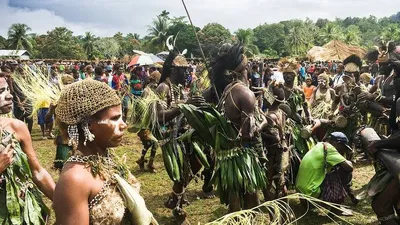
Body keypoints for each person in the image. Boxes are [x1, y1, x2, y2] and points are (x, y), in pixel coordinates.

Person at [53, 79, 156, 225]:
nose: (124, 125)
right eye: (114, 119)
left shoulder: (108, 158)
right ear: (88, 125)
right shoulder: (75, 179)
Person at [0, 74, 55, 223]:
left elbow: (37, 171)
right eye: (0, 91)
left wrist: (61, 201)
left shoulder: (16, 127)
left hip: (19, 209)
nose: (9, 96)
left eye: (7, 90)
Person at [296, 132, 356, 215]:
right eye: (343, 147)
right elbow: (349, 168)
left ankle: (307, 204)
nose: (342, 150)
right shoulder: (329, 148)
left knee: (332, 170)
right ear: (338, 143)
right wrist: (347, 159)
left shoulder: (320, 145)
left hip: (302, 192)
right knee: (341, 172)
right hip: (312, 191)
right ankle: (336, 209)